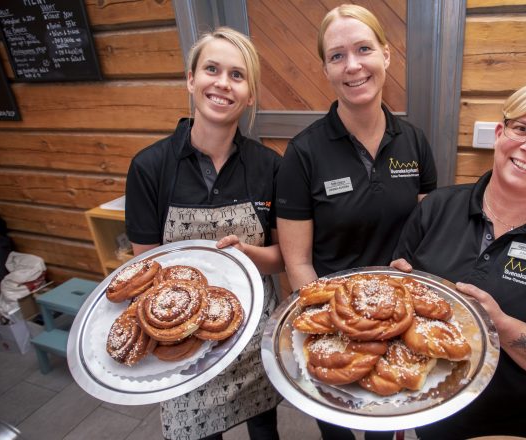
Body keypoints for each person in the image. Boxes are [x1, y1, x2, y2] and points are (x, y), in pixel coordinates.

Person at [391, 80, 526, 440]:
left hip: (514, 428)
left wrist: (500, 326)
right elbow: (403, 299)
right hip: (428, 412)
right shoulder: (435, 208)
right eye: (522, 128)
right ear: (500, 133)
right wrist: (396, 294)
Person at [275, 4, 437, 440]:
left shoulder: (415, 142)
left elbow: (423, 236)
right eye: (337, 55)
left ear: (386, 54)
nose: (352, 65)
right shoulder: (303, 153)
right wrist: (336, 331)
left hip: (400, 320)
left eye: (363, 49)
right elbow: (298, 263)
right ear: (326, 69)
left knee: (384, 426)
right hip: (335, 324)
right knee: (337, 427)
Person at [124, 27, 283, 440]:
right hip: (182, 343)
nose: (223, 83)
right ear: (191, 79)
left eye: (237, 75)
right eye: (212, 69)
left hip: (251, 337)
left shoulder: (269, 166)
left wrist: (246, 253)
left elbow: (283, 256)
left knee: (264, 428)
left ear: (250, 95)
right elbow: (146, 267)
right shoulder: (150, 167)